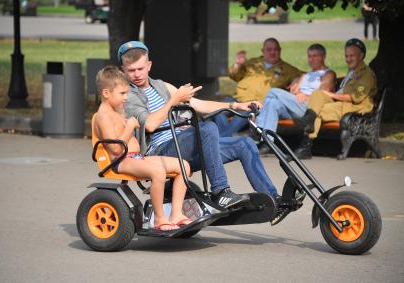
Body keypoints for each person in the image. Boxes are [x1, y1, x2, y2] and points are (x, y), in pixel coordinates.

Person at [118, 41, 296, 225]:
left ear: (149, 66)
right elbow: (150, 125)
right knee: (207, 129)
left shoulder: (162, 86)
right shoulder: (129, 95)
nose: (137, 74)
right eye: (131, 70)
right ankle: (221, 192)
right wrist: (174, 100)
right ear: (123, 70)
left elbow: (199, 105)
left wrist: (235, 105)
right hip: (161, 153)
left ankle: (274, 201)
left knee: (245, 144)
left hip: (184, 147)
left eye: (140, 68)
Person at [93, 65, 192, 231]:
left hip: (135, 157)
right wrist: (129, 127)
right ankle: (160, 219)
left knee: (184, 166)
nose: (126, 97)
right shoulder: (103, 116)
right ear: (106, 93)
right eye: (122, 94)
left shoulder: (118, 109)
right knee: (158, 172)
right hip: (121, 160)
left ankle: (176, 214)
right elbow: (115, 149)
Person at [294, 38, 377, 159]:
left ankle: (306, 145)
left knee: (318, 111)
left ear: (361, 56)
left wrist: (331, 95)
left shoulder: (366, 73)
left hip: (353, 107)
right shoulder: (352, 72)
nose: (348, 59)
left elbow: (355, 98)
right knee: (318, 94)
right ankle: (309, 119)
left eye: (352, 56)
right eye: (346, 56)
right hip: (340, 103)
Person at [256, 43, 336, 155]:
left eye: (315, 56)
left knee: (272, 91)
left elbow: (323, 93)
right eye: (310, 56)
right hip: (295, 105)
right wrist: (297, 89)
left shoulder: (328, 74)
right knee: (273, 102)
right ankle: (267, 142)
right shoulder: (305, 75)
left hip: (309, 108)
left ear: (323, 57)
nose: (311, 59)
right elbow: (293, 91)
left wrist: (307, 95)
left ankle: (257, 130)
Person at [213, 37, 302, 137]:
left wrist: (297, 81)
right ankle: (226, 139)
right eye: (269, 50)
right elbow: (234, 76)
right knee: (217, 111)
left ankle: (222, 140)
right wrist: (238, 64)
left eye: (275, 49)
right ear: (263, 51)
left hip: (255, 105)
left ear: (280, 50)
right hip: (237, 99)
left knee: (242, 115)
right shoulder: (252, 63)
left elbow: (302, 76)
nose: (273, 52)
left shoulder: (287, 69)